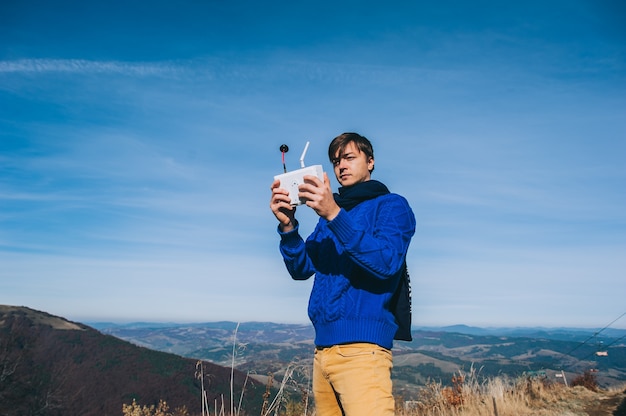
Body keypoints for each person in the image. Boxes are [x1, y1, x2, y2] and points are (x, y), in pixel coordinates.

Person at [269, 132, 416, 416]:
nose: (341, 166)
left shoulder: (392, 205)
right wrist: (288, 228)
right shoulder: (330, 217)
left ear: (370, 162)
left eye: (349, 158)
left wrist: (335, 215)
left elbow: (387, 262)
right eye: (336, 161)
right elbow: (301, 269)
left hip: (363, 351)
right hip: (322, 351)